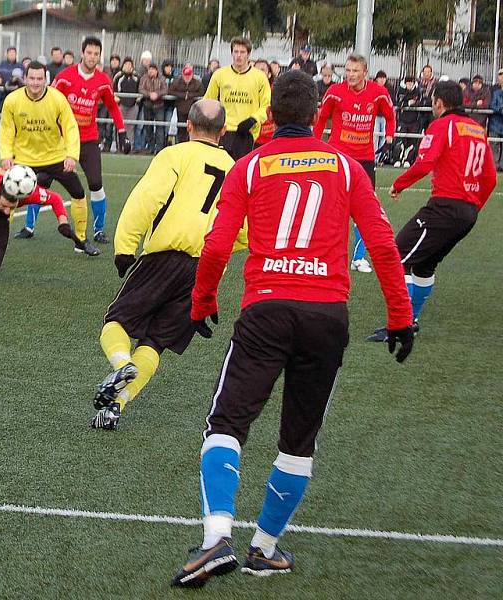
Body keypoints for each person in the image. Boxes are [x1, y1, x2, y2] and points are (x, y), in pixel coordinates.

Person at [170, 71, 414, 588]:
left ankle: (217, 538)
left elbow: (216, 245)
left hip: (267, 309)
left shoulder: (252, 164)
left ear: (272, 116)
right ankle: (264, 549)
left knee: (226, 425)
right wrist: (399, 316)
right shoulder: (347, 168)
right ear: (317, 113)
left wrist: (202, 303)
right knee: (299, 441)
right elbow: (382, 242)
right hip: (327, 317)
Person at [91, 99, 246, 430]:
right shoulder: (235, 168)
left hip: (163, 257)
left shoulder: (174, 155)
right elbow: (243, 230)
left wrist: (124, 248)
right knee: (155, 343)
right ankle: (115, 407)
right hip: (202, 268)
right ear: (223, 132)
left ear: (187, 126)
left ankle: (120, 364)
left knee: (115, 322)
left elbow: (146, 200)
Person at [366, 80, 497, 342]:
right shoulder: (476, 129)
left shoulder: (442, 125)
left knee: (397, 256)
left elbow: (425, 162)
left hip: (445, 207)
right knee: (424, 266)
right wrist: (472, 207)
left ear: (439, 103)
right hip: (467, 212)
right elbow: (490, 178)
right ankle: (410, 321)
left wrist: (399, 183)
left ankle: (399, 325)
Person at [19, 37, 130, 244]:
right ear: (82, 53)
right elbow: (48, 102)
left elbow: (113, 107)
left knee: (96, 183)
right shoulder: (64, 77)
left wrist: (122, 132)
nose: (93, 57)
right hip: (61, 142)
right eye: (89, 53)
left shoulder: (104, 80)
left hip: (88, 140)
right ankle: (29, 226)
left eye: (96, 54)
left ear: (99, 56)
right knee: (41, 181)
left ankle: (98, 230)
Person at [0, 61, 99, 256]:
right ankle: (0, 239)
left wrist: (71, 155)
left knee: (78, 192)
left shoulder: (57, 99)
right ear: (25, 78)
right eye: (32, 78)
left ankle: (80, 240)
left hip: (55, 157)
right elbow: (6, 131)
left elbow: (70, 128)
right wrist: (6, 156)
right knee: (7, 196)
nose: (35, 83)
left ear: (46, 79)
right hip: (24, 159)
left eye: (40, 79)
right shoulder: (12, 100)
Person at [314, 54, 395, 274]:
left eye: (355, 71)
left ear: (365, 73)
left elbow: (390, 116)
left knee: (365, 209)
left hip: (365, 159)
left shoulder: (379, 94)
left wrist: (388, 140)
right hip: (338, 156)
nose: (350, 75)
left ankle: (358, 258)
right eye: (348, 70)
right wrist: (313, 142)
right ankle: (325, 253)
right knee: (330, 205)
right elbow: (321, 119)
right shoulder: (335, 92)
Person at [204, 38, 270, 160]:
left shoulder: (260, 77)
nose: (238, 55)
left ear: (249, 54)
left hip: (246, 132)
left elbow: (266, 106)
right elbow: (208, 101)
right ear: (232, 53)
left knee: (242, 171)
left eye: (242, 52)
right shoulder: (220, 74)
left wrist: (253, 119)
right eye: (236, 51)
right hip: (223, 131)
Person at [168, 64, 204, 143]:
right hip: (181, 109)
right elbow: (170, 91)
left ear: (192, 75)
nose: (187, 77)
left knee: (192, 128)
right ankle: (181, 145)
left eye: (189, 75)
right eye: (186, 75)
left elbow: (202, 92)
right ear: (183, 75)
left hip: (193, 110)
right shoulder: (177, 82)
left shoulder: (197, 83)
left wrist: (190, 95)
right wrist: (183, 95)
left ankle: (191, 144)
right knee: (181, 129)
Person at [393, 75, 423, 168]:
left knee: (412, 142)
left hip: (414, 121)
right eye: (408, 83)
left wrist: (412, 103)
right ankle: (398, 159)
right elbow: (398, 102)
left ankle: (408, 160)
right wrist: (408, 103)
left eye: (411, 83)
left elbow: (420, 102)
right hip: (402, 120)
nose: (409, 85)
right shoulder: (400, 91)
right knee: (400, 140)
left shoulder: (418, 91)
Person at [139, 63, 168, 155]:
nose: (150, 71)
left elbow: (165, 90)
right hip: (147, 105)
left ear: (156, 71)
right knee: (148, 127)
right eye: (149, 69)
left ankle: (159, 148)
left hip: (159, 106)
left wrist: (157, 94)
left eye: (153, 69)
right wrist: (149, 94)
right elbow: (140, 89)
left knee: (160, 127)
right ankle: (150, 147)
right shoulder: (144, 78)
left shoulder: (162, 79)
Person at [113, 57, 140, 143]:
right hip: (121, 105)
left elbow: (140, 89)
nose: (128, 66)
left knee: (130, 126)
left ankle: (130, 145)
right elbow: (113, 89)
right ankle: (120, 144)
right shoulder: (118, 76)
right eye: (126, 64)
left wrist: (138, 99)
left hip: (133, 106)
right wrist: (117, 98)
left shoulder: (136, 77)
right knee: (120, 125)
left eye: (130, 64)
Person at [252, 59, 275, 147]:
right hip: (250, 138)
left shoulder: (275, 91)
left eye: (262, 70)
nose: (259, 73)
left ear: (269, 74)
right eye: (256, 70)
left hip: (268, 139)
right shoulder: (246, 90)